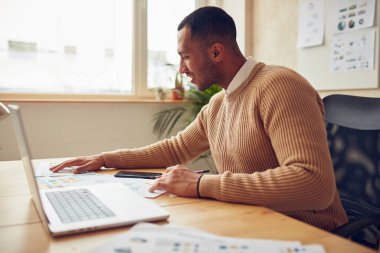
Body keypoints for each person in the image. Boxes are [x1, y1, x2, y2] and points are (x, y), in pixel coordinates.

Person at [51, 6, 348, 231]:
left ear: (216, 51)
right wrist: (104, 158)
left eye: (185, 57)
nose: (181, 69)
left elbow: (313, 185)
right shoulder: (219, 104)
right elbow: (173, 150)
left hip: (306, 233)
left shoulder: (280, 85)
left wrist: (200, 184)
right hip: (252, 221)